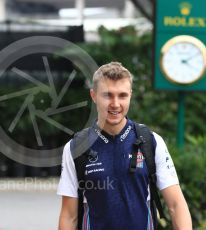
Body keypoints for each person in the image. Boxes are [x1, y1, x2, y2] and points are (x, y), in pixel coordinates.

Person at [57, 62, 192, 229]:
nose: (115, 104)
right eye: (107, 95)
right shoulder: (76, 147)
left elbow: (176, 205)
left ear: (130, 95)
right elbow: (69, 216)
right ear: (93, 95)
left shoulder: (150, 141)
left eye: (122, 95)